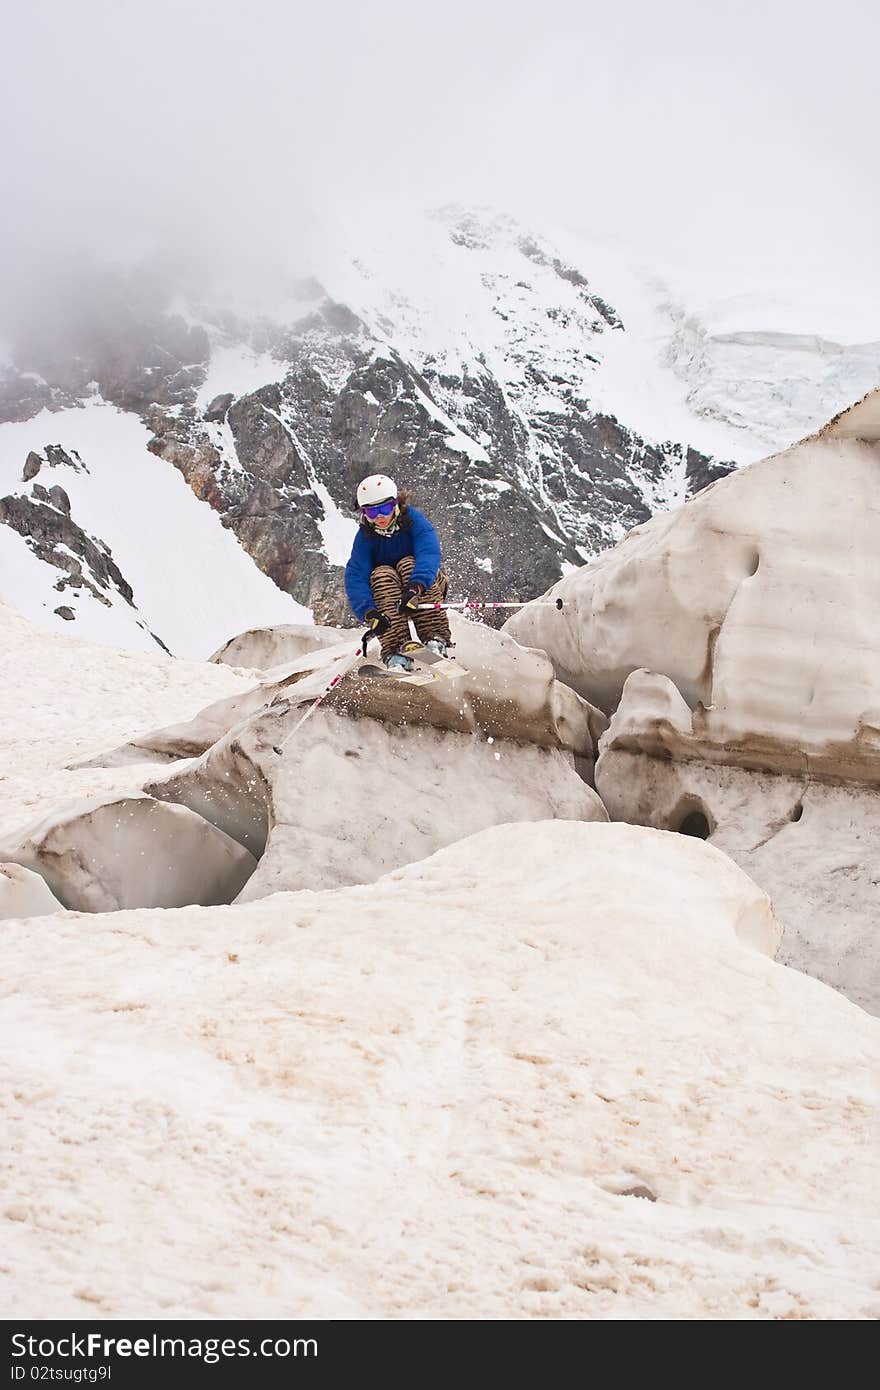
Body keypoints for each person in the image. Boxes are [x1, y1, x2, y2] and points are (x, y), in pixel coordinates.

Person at [344, 474, 453, 671]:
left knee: (407, 563)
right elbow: (356, 576)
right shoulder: (365, 538)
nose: (380, 517)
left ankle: (435, 639)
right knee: (381, 574)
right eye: (371, 512)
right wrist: (368, 612)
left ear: (396, 504)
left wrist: (415, 588)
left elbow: (429, 553)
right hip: (390, 595)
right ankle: (396, 651)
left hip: (426, 584)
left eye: (384, 509)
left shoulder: (414, 521)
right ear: (364, 514)